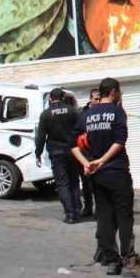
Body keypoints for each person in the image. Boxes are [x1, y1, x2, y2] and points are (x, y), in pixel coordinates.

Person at [72, 78, 140, 277]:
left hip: (97, 175)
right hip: (116, 171)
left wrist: (86, 163)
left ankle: (112, 260)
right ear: (113, 92)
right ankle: (128, 260)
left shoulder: (87, 114)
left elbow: (73, 144)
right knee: (124, 217)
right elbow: (120, 141)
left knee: (105, 217)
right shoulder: (117, 112)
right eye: (119, 92)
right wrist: (102, 160)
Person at [35, 88, 82, 223]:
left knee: (62, 184)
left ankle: (70, 214)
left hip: (57, 153)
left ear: (50, 98)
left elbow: (41, 136)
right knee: (74, 181)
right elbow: (81, 130)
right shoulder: (73, 111)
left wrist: (38, 153)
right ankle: (77, 210)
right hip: (73, 151)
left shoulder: (46, 114)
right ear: (63, 97)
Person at [77, 88, 101, 218]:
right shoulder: (82, 113)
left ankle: (99, 209)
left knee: (97, 182)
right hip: (85, 151)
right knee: (86, 182)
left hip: (98, 151)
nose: (98, 101)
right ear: (90, 99)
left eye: (99, 99)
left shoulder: (102, 112)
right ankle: (87, 207)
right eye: (96, 99)